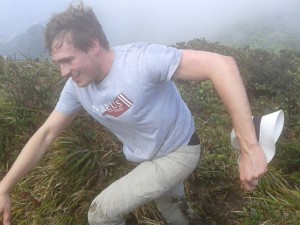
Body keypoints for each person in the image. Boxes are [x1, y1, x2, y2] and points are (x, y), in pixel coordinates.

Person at [0, 4, 268, 225]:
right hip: (150, 157)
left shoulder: (140, 61)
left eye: (68, 60)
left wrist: (249, 147)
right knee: (173, 210)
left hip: (180, 151)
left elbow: (222, 65)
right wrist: (5, 186)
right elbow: (46, 134)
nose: (63, 71)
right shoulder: (76, 88)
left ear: (93, 44)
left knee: (100, 215)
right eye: (58, 63)